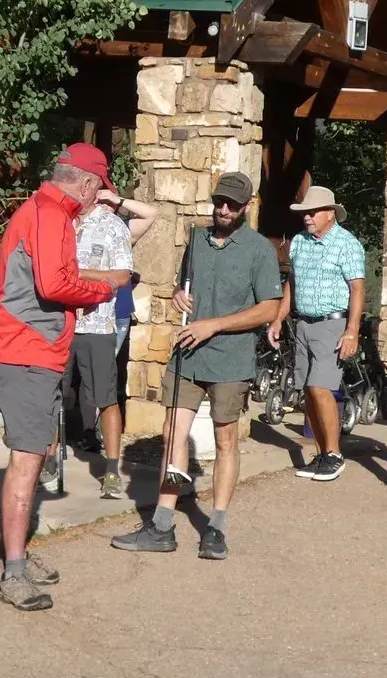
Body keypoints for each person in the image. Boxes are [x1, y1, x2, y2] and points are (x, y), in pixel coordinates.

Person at [0, 142, 127, 607]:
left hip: (35, 350)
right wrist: (106, 287)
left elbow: (55, 277)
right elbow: (54, 284)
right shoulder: (48, 214)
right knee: (28, 460)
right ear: (85, 184)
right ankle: (14, 573)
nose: (96, 199)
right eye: (97, 189)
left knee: (35, 455)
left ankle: (13, 553)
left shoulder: (49, 211)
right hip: (25, 350)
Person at [112, 172, 282, 559]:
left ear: (247, 207)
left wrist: (215, 325)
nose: (223, 210)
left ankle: (216, 528)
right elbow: (182, 284)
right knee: (173, 433)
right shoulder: (197, 239)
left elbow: (269, 308)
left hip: (231, 359)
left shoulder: (259, 249)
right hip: (187, 354)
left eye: (233, 205)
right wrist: (177, 295)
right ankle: (162, 526)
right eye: (220, 202)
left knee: (225, 441)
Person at [271, 185, 366, 482]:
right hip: (303, 323)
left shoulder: (347, 244)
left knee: (320, 387)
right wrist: (278, 318)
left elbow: (357, 289)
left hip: (332, 323)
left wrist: (352, 330)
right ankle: (322, 453)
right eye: (305, 213)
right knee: (307, 391)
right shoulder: (299, 242)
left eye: (313, 212)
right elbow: (292, 285)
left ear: (330, 214)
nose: (308, 217)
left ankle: (335, 454)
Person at [71, 185, 156, 498]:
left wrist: (75, 273)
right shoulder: (60, 223)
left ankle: (110, 471)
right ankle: (51, 461)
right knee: (54, 394)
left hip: (100, 322)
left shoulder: (113, 226)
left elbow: (122, 275)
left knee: (105, 394)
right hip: (61, 323)